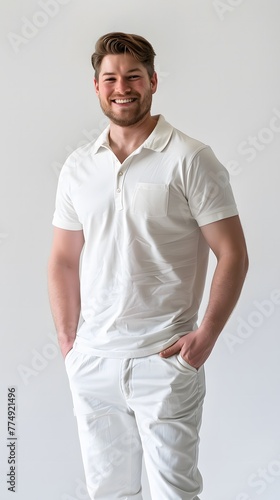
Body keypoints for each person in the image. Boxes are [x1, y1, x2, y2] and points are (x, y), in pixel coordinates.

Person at [48, 32, 249, 500]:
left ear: (153, 81)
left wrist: (208, 335)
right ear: (96, 86)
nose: (123, 87)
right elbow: (62, 258)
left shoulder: (190, 158)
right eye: (111, 78)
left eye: (134, 76)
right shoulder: (78, 167)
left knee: (174, 495)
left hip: (164, 359)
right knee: (109, 494)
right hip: (94, 362)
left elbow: (233, 253)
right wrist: (69, 342)